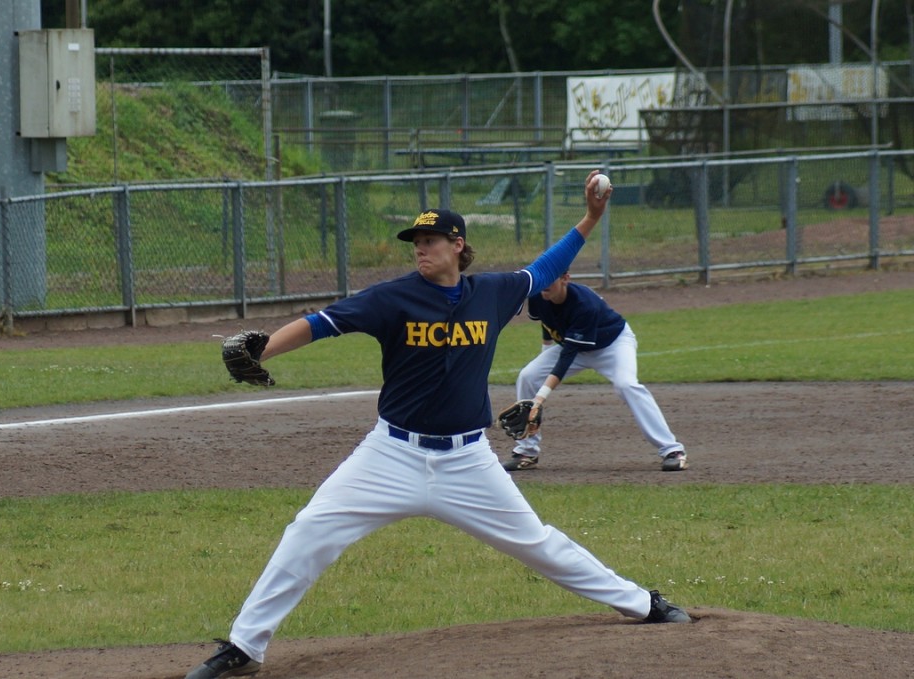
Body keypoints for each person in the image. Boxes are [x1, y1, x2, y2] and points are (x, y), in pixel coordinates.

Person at [185, 171, 691, 679]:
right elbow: (322, 323)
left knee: (538, 543)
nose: (420, 248)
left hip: (468, 461)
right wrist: (264, 350)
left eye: (430, 240)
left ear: (458, 245)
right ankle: (245, 647)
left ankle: (641, 603)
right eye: (416, 241)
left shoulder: (492, 293)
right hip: (390, 455)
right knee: (309, 531)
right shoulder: (392, 298)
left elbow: (547, 266)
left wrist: (591, 218)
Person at [501, 272, 687, 473]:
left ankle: (672, 450)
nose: (544, 284)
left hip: (612, 345)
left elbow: (566, 359)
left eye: (550, 279)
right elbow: (548, 322)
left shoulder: (584, 304)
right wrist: (545, 352)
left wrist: (539, 399)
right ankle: (527, 452)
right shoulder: (539, 294)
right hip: (573, 346)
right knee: (528, 376)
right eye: (542, 279)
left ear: (565, 279)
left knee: (626, 384)